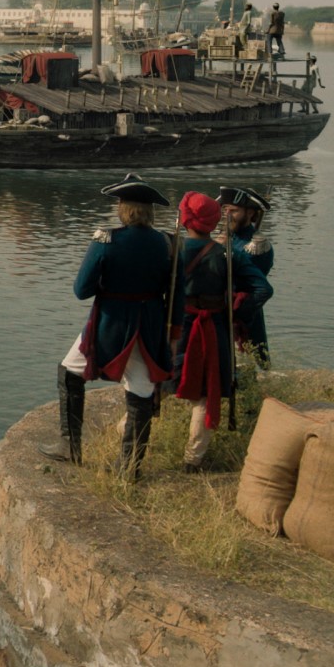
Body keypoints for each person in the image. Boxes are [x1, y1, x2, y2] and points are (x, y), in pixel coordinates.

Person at [44, 174, 176, 478]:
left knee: (69, 371)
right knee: (142, 393)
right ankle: (130, 468)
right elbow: (176, 291)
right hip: (150, 326)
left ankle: (70, 447)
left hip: (110, 325)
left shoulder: (107, 239)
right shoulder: (167, 242)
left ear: (124, 209)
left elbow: (82, 290)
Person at [172, 190, 272, 471]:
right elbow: (263, 289)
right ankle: (192, 461)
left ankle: (127, 441)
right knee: (206, 392)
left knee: (155, 384)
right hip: (214, 328)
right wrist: (233, 313)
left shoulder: (171, 248)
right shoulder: (226, 253)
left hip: (178, 328)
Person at [216, 186, 274, 366]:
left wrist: (238, 314)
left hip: (244, 311)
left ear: (250, 213)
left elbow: (252, 285)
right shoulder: (223, 237)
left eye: (233, 210)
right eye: (225, 209)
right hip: (220, 308)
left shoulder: (257, 244)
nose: (228, 214)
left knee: (246, 365)